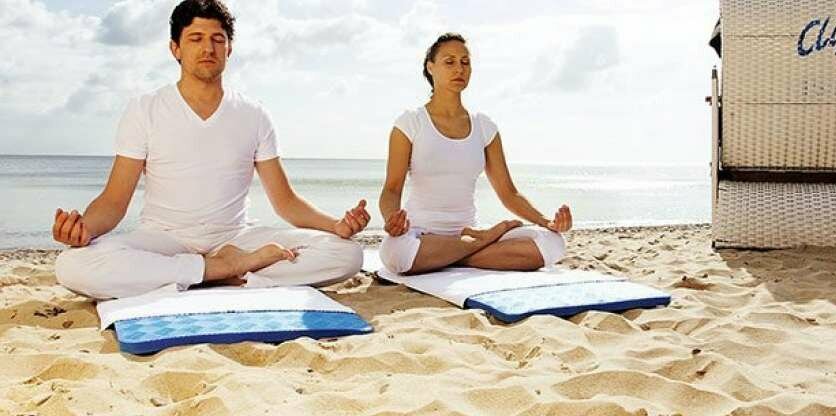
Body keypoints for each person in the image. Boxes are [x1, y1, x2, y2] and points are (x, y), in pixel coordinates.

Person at [52, 0, 369, 299]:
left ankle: (212, 271)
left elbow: (286, 202)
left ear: (229, 48)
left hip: (235, 238)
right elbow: (113, 201)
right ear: (175, 48)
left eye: (218, 39)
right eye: (196, 38)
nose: (208, 48)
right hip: (165, 240)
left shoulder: (253, 113)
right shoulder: (144, 109)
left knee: (346, 253)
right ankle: (225, 271)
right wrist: (84, 230)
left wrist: (336, 226)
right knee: (72, 265)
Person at [378, 33, 571, 275]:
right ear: (431, 68)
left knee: (553, 243)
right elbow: (392, 188)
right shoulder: (410, 123)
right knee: (396, 254)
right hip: (421, 234)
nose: (459, 68)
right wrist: (391, 220)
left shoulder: (483, 126)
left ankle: (458, 253)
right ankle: (478, 244)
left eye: (465, 62)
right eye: (449, 62)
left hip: (464, 231)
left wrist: (547, 222)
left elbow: (509, 193)